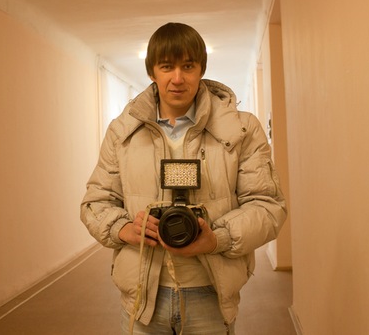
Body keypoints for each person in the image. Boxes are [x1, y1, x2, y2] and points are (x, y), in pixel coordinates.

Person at [80, 22, 286, 334]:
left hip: (211, 293)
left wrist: (216, 239)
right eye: (167, 66)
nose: (177, 78)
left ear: (201, 68)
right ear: (152, 72)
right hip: (142, 298)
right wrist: (124, 229)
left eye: (188, 66)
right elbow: (95, 202)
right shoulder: (121, 132)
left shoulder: (241, 129)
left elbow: (268, 206)